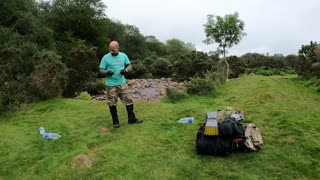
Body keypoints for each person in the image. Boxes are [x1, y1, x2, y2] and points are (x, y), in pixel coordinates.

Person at [99, 41, 143, 128]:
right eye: (110, 50)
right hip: (111, 85)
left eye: (113, 50)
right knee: (112, 103)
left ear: (118, 48)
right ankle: (116, 122)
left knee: (129, 101)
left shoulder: (123, 56)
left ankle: (131, 119)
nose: (111, 52)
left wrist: (126, 70)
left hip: (122, 83)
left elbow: (129, 66)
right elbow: (101, 70)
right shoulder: (105, 57)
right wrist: (107, 72)